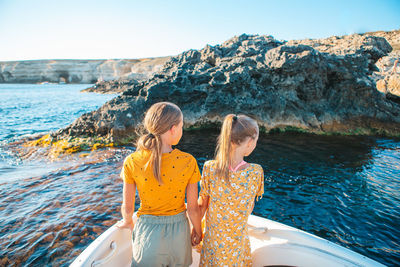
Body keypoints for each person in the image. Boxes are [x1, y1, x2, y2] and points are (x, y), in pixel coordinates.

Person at [116, 102, 202, 267]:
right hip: (179, 234)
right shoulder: (188, 161)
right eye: (182, 126)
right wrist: (198, 231)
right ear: (173, 129)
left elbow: (127, 208)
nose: (182, 130)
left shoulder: (132, 161)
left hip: (147, 233)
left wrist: (127, 220)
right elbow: (193, 209)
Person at [198, 114, 264, 266]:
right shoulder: (255, 172)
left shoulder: (210, 168)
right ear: (249, 142)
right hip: (236, 245)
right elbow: (249, 207)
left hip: (213, 244)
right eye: (256, 140)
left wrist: (195, 229)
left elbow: (202, 205)